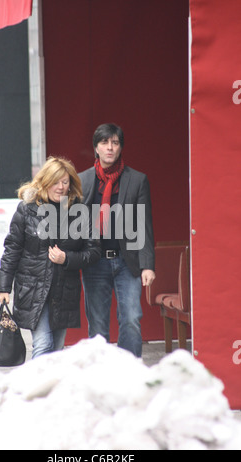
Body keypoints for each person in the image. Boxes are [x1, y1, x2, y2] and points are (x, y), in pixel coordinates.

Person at [0, 157, 101, 358]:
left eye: (65, 182)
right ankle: (38, 388)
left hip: (63, 291)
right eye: (55, 181)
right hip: (33, 288)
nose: (60, 187)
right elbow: (12, 248)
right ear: (45, 181)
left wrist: (67, 258)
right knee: (44, 344)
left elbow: (94, 251)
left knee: (57, 349)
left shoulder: (79, 211)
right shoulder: (27, 209)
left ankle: (50, 388)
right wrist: (3, 286)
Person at [79, 123, 156, 358]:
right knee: (98, 326)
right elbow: (72, 225)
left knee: (131, 318)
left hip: (127, 261)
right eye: (104, 142)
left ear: (121, 147)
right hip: (95, 262)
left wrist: (148, 265)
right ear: (96, 148)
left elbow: (144, 226)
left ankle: (130, 372)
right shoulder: (82, 180)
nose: (110, 147)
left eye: (115, 142)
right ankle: (100, 376)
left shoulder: (137, 180)